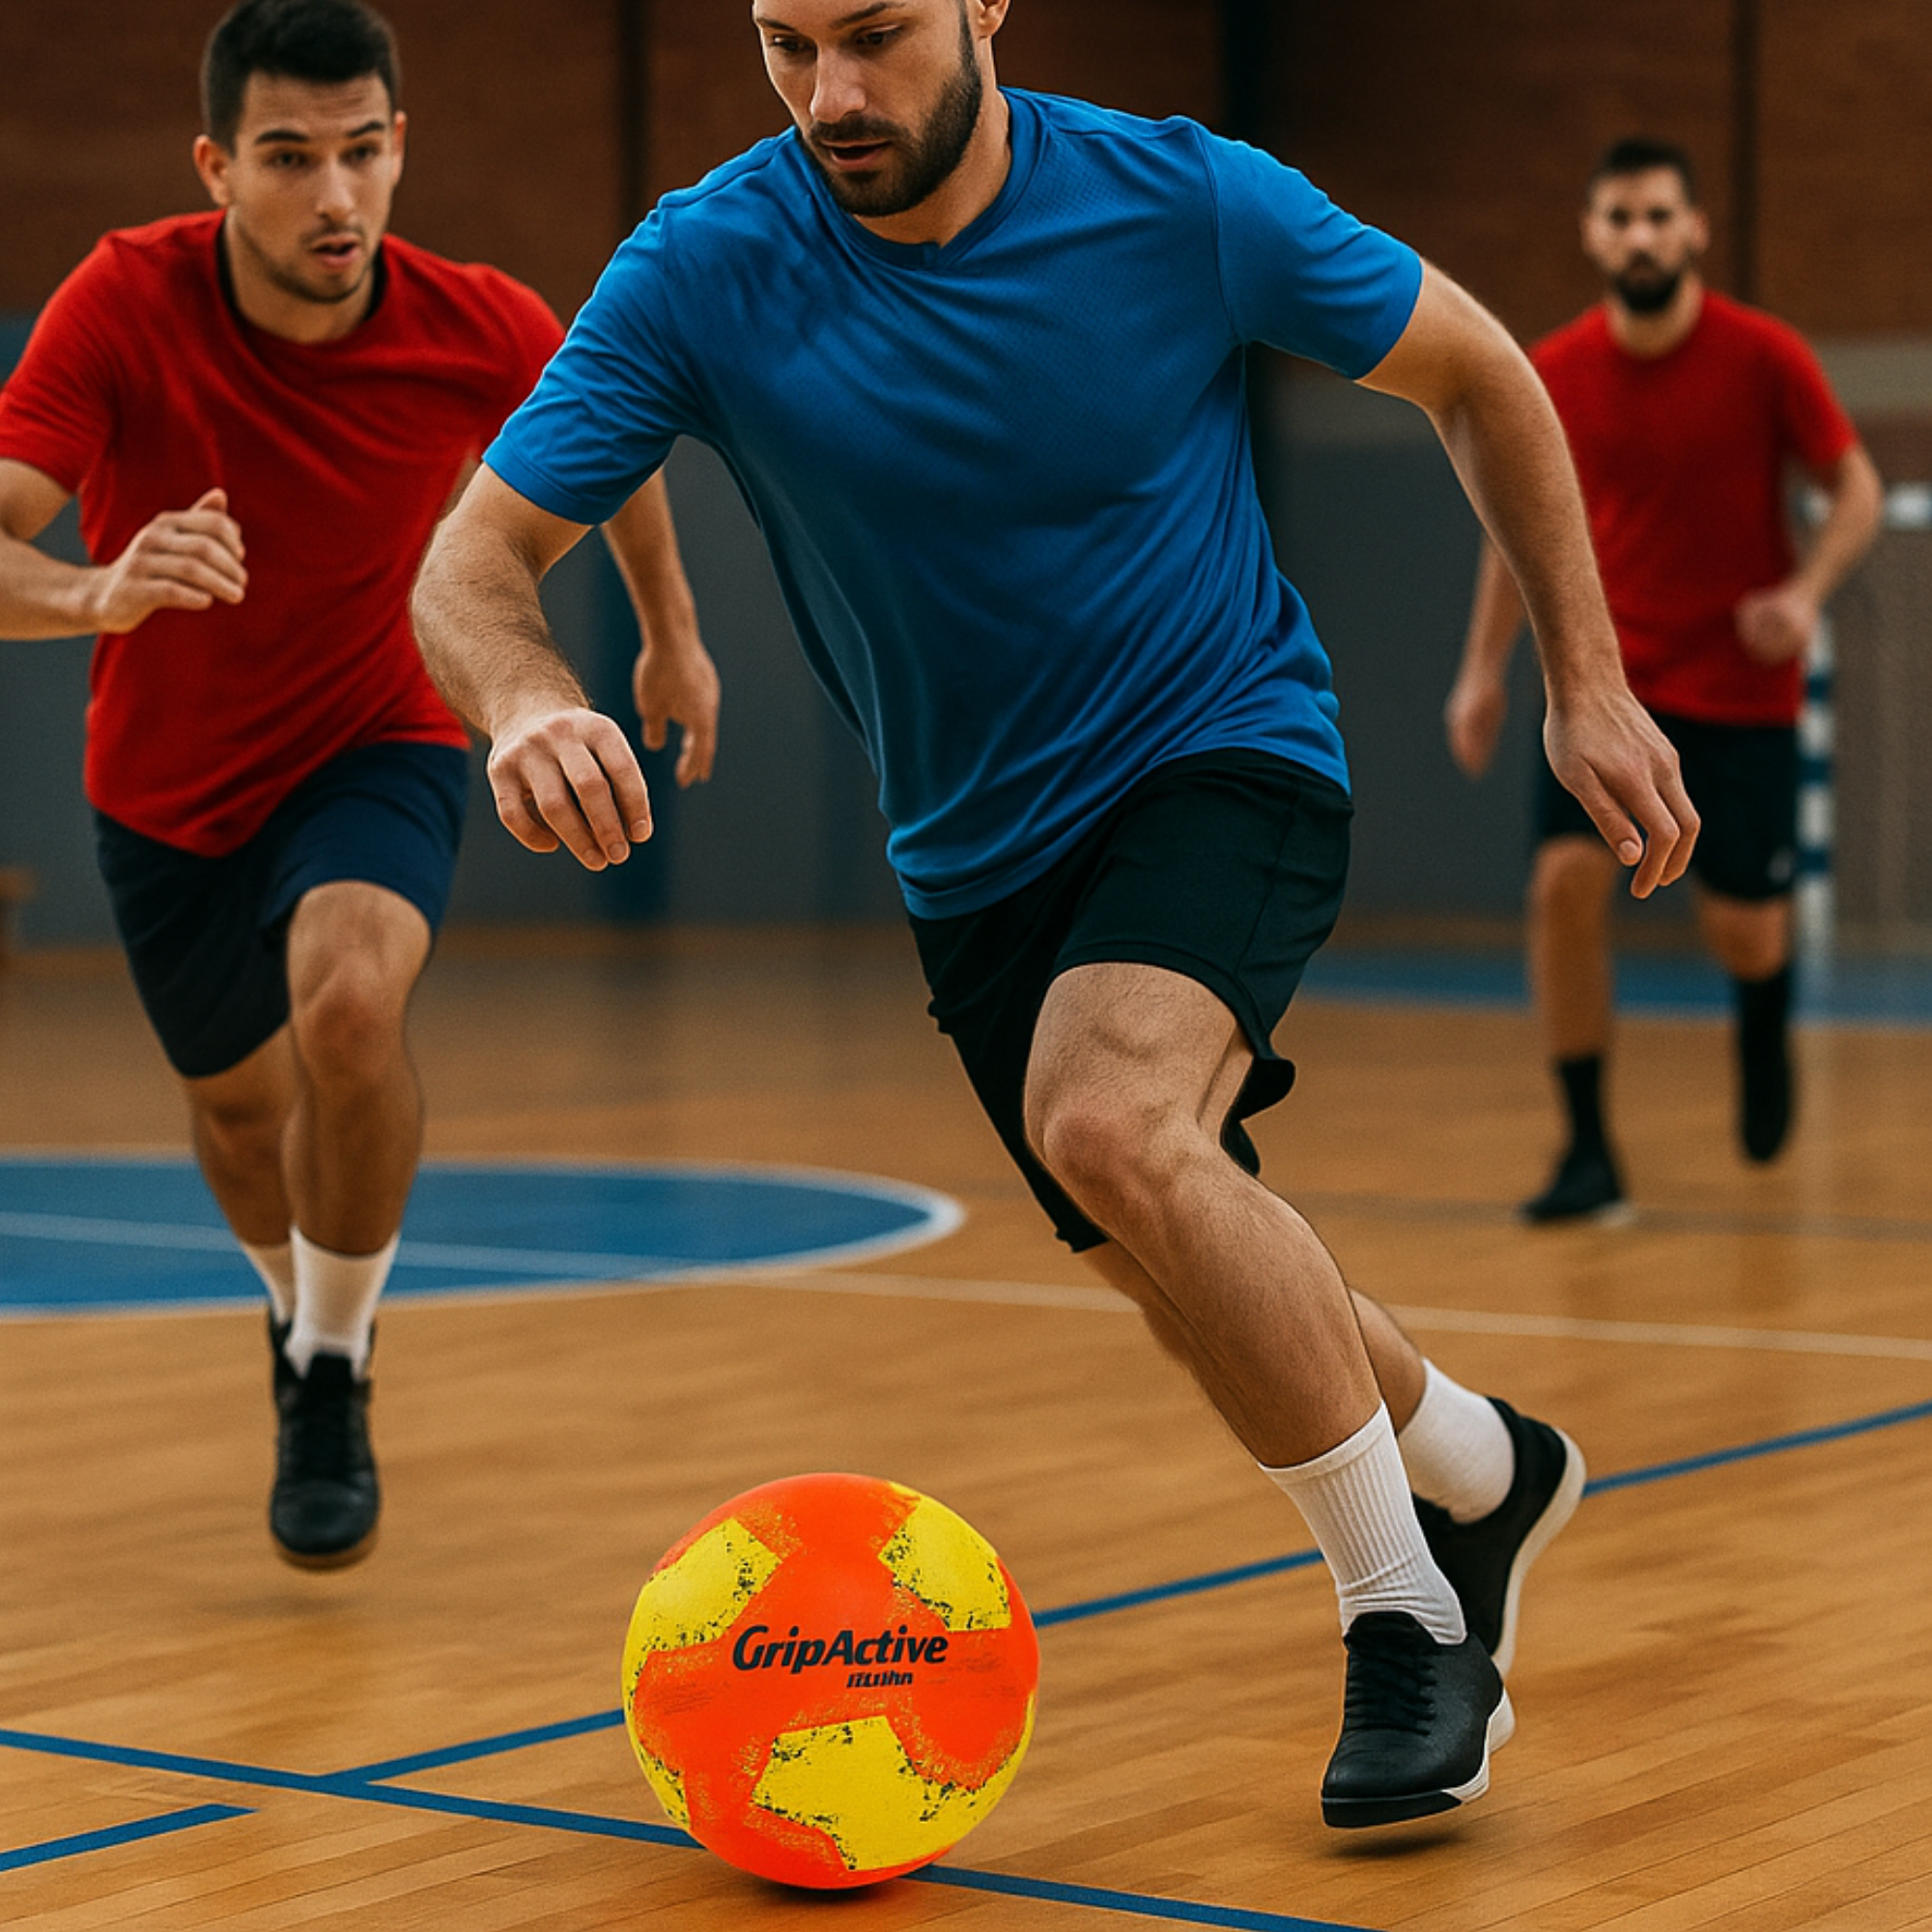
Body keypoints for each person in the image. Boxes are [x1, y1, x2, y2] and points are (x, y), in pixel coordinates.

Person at [412, 0, 1693, 1830]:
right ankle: (1488, 1468)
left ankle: (1409, 1619)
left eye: (876, 35)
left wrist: (1588, 681)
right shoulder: (703, 266)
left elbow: (1481, 372)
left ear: (984, 4)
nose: (833, 95)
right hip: (974, 860)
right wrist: (530, 699)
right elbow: (471, 561)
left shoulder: (1185, 201)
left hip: (1222, 750)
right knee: (1168, 1253)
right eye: (786, 43)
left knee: (1109, 1118)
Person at [0, 0, 719, 1569]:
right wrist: (92, 593)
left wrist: (669, 635)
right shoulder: (120, 300)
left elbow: (619, 458)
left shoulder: (482, 322)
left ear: (399, 147)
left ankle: (331, 1366)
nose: (334, 195)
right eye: (288, 157)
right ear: (216, 167)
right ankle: (295, 1306)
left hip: (374, 737)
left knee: (346, 1009)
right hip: (164, 787)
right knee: (239, 1115)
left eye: (361, 151)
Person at [1447, 136, 1883, 1224]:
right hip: (1605, 688)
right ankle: (1587, 1151)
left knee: (1745, 931)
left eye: (1656, 216)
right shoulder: (1549, 373)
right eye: (1618, 217)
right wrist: (1481, 673)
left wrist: (1804, 593)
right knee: (1561, 887)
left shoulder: (1764, 357)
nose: (1637, 235)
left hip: (1740, 695)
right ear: (1590, 235)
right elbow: (1510, 532)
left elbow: (1856, 487)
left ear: (1692, 230)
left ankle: (1762, 1015)